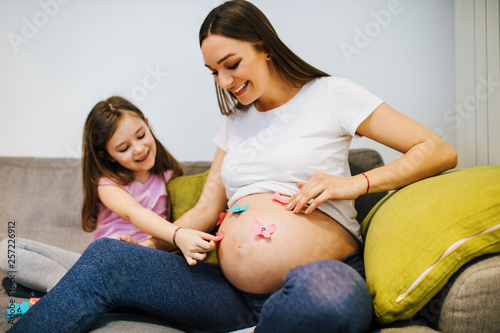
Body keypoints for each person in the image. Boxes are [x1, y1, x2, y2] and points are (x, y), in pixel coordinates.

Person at [8, 1, 457, 332]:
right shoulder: (234, 123)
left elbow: (436, 150)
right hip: (227, 292)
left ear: (263, 47)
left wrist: (355, 183)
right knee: (107, 257)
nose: (224, 82)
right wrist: (150, 245)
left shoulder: (331, 95)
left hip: (314, 275)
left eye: (231, 64)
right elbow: (205, 210)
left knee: (330, 299)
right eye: (213, 72)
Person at [0, 96, 216, 297]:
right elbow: (134, 212)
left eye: (141, 135)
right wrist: (178, 234)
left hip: (143, 263)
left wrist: (145, 247)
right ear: (106, 155)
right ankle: (76, 291)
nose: (139, 149)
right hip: (100, 262)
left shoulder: (169, 177)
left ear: (147, 124)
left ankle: (73, 293)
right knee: (7, 249)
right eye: (124, 148)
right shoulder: (106, 184)